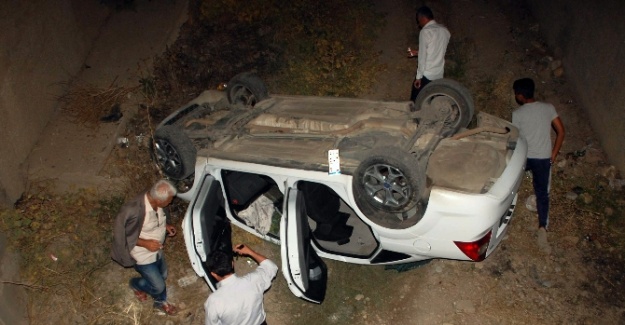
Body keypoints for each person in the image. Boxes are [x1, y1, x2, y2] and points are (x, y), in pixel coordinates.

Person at [511, 78, 565, 254]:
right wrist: (554, 154)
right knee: (543, 194)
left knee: (512, 186)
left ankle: (505, 218)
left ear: (520, 95)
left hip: (525, 158)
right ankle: (543, 227)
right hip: (543, 158)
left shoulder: (517, 114)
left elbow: (516, 138)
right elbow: (561, 131)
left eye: (516, 93)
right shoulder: (548, 108)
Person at [111, 179, 178, 315]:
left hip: (157, 250)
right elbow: (121, 234)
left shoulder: (156, 201)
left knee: (163, 275)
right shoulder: (132, 210)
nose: (170, 202)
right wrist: (145, 243)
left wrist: (165, 226)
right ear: (159, 200)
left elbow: (157, 219)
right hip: (142, 255)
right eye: (169, 200)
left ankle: (141, 285)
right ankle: (157, 300)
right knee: (159, 286)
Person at [204, 244, 278, 325]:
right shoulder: (253, 281)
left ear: (213, 274)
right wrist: (250, 252)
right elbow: (271, 267)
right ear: (232, 264)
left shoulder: (213, 302)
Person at [408, 6, 451, 101]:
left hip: (427, 73)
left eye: (419, 21)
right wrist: (418, 52)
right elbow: (436, 51)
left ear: (423, 18)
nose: (419, 24)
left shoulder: (425, 32)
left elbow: (423, 58)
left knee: (416, 99)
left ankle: (414, 114)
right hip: (439, 73)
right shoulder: (445, 30)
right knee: (431, 97)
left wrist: (418, 77)